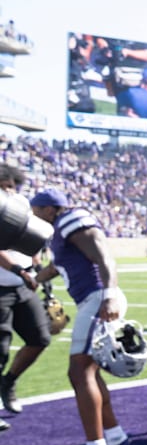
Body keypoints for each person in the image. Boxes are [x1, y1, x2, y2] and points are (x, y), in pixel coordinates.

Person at [30, 188, 131, 445]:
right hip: (93, 298)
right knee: (90, 371)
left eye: (37, 211)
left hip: (98, 298)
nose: (35, 217)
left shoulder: (72, 219)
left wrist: (110, 295)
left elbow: (102, 255)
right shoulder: (63, 228)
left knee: (79, 372)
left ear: (49, 209)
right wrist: (35, 279)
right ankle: (114, 436)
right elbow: (57, 266)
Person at [0, 167, 53, 418]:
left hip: (22, 285)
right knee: (0, 349)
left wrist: (37, 263)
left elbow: (32, 237)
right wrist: (19, 270)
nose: (8, 190)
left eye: (11, 185)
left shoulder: (20, 202)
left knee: (40, 337)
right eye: (3, 185)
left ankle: (8, 381)